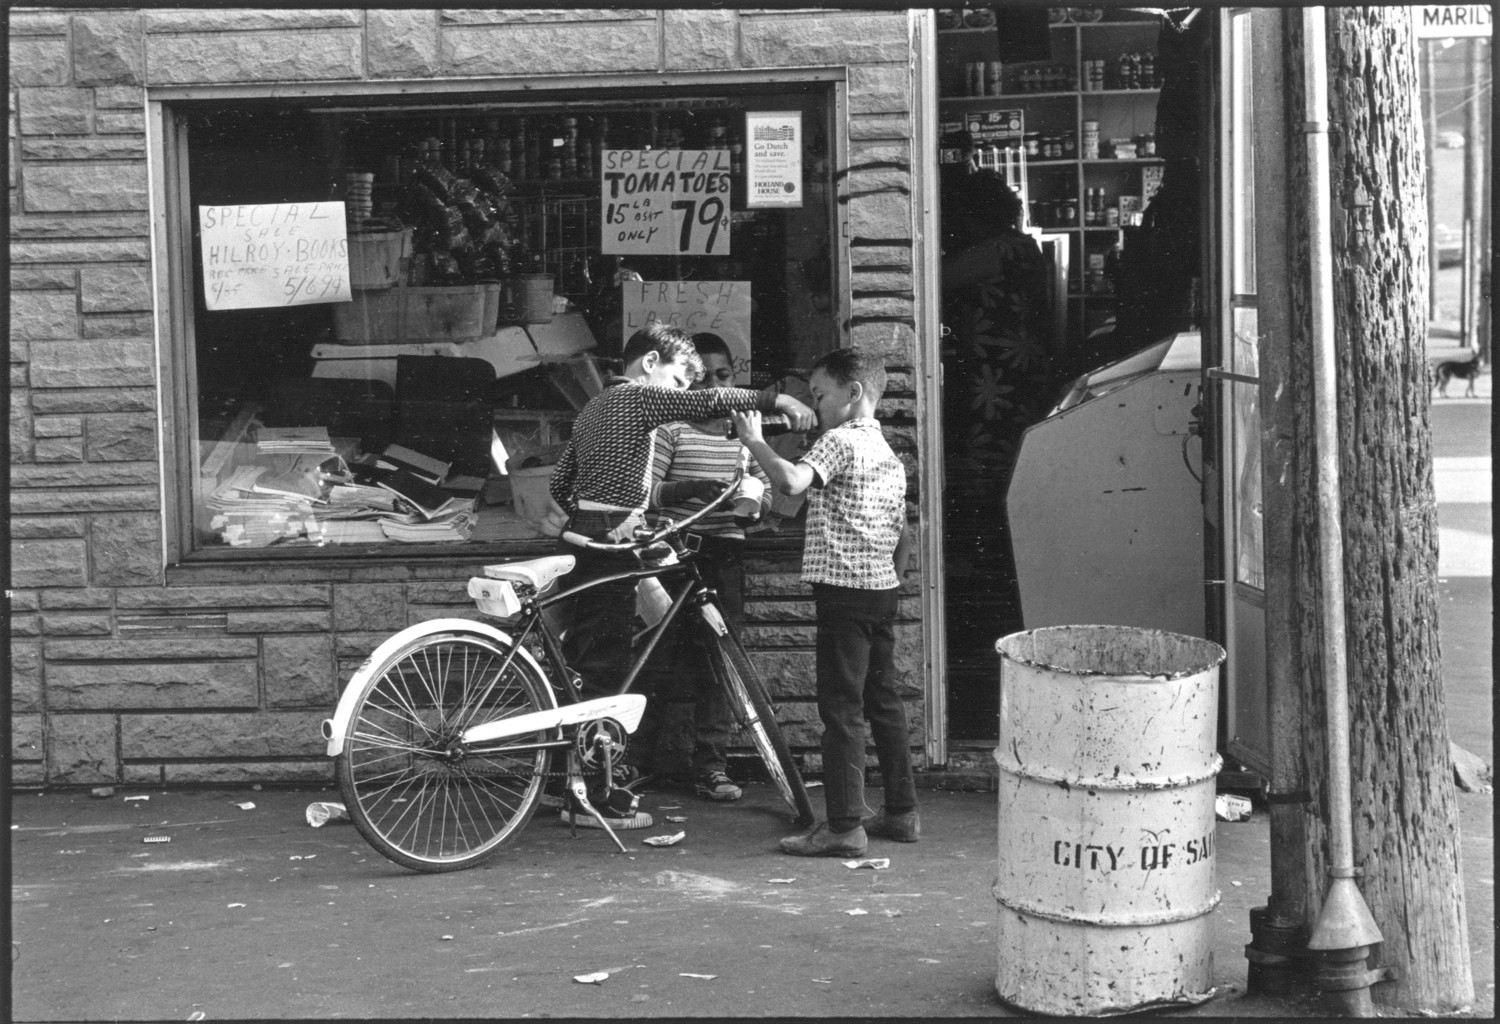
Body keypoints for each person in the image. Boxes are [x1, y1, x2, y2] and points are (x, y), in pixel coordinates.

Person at [547, 322, 815, 829]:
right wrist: (777, 401)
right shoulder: (638, 398)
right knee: (605, 669)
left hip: (585, 539)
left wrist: (611, 507)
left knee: (594, 658)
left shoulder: (591, 410)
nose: (677, 396)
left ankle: (581, 778)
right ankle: (588, 798)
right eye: (675, 382)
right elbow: (701, 406)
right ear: (649, 364)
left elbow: (563, 484)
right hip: (610, 546)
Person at [732, 346, 918, 857]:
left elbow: (791, 481)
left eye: (819, 394)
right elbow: (904, 536)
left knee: (841, 710)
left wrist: (753, 441)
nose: (814, 404)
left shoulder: (840, 441)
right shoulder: (888, 453)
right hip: (879, 591)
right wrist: (886, 580)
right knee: (883, 702)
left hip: (844, 594)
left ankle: (842, 827)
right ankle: (902, 813)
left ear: (854, 393)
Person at [629, 333, 775, 802]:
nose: (714, 384)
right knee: (658, 655)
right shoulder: (672, 429)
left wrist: (754, 500)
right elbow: (647, 495)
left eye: (724, 375)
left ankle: (711, 765)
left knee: (721, 661)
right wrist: (690, 490)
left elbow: (764, 490)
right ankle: (636, 760)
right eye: (704, 377)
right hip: (674, 554)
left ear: (734, 378)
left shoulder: (743, 438)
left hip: (723, 555)